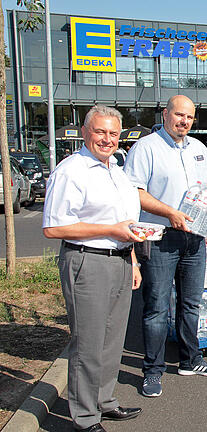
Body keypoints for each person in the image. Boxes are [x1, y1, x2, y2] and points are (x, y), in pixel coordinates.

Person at [42, 105, 144, 432]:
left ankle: (104, 401)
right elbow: (54, 228)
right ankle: (85, 417)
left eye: (113, 133)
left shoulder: (116, 168)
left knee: (113, 340)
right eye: (100, 132)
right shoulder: (72, 170)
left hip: (119, 260)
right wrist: (110, 231)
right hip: (87, 261)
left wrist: (131, 258)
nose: (107, 139)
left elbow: (124, 223)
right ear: (86, 133)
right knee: (88, 343)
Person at [123, 95, 207, 398]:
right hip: (161, 237)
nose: (184, 121)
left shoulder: (199, 150)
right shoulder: (146, 148)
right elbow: (134, 192)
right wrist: (169, 212)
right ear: (166, 114)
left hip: (195, 237)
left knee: (191, 303)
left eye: (190, 117)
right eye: (179, 115)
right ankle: (152, 370)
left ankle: (190, 360)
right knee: (156, 307)